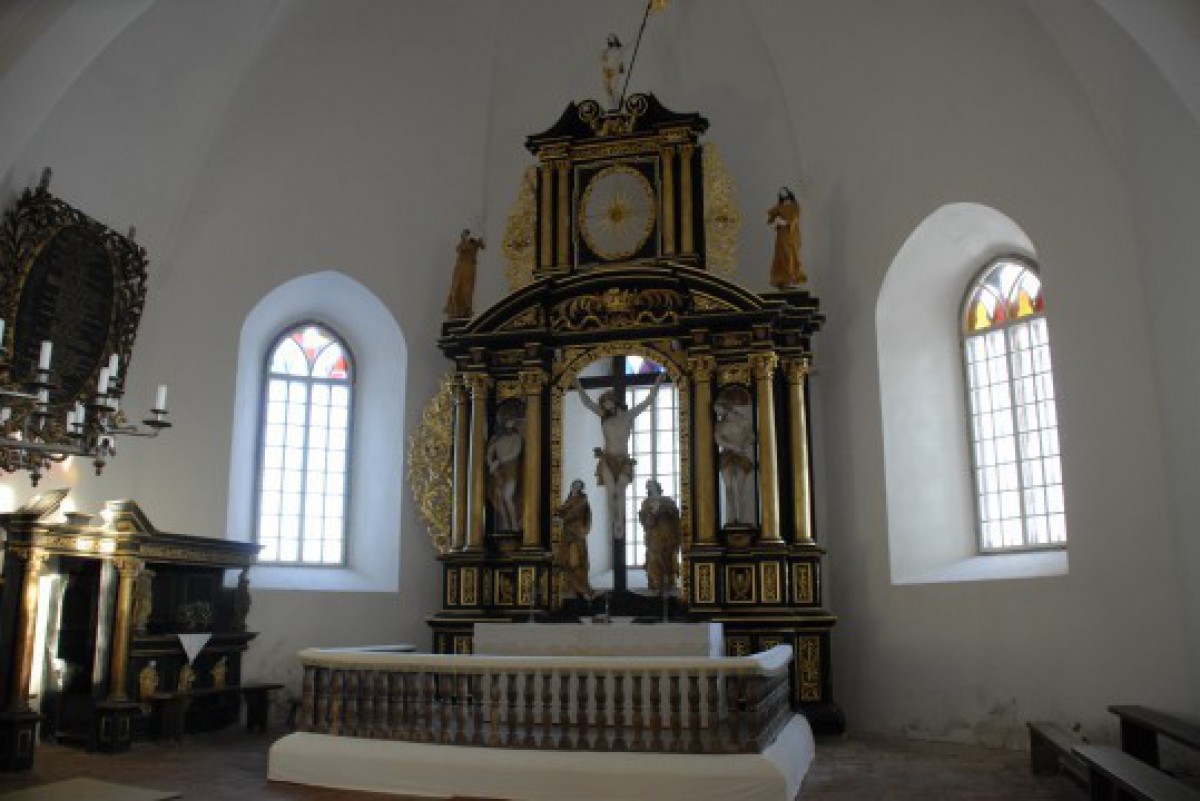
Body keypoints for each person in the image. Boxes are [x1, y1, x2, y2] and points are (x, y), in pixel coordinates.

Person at [574, 371, 664, 541]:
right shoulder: (603, 416)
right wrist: (576, 383)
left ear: (613, 401)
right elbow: (586, 402)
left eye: (606, 402)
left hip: (624, 460)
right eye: (603, 404)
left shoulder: (629, 415)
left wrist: (658, 381)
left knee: (620, 489)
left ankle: (620, 522)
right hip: (607, 458)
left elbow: (649, 401)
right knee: (611, 492)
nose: (605, 406)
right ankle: (613, 521)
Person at [715, 398, 757, 526]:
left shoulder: (743, 421)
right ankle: (731, 517)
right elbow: (718, 439)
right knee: (728, 487)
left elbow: (752, 437)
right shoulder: (719, 425)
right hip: (727, 455)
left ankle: (742, 519)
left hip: (741, 455)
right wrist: (732, 446)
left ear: (725, 407)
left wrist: (743, 445)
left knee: (740, 488)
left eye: (718, 409)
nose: (717, 412)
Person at [639, 479, 681, 593]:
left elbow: (676, 518)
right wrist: (652, 513)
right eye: (648, 486)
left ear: (657, 486)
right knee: (654, 560)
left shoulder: (668, 500)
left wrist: (664, 510)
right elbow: (645, 520)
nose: (649, 487)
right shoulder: (646, 502)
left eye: (651, 485)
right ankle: (656, 584)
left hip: (667, 534)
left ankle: (669, 584)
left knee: (668, 561)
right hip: (654, 536)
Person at [554, 479, 593, 599]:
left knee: (576, 562)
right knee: (566, 561)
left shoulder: (582, 500)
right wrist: (556, 514)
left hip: (576, 534)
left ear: (581, 488)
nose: (575, 487)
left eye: (578, 486)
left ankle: (581, 588)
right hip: (567, 534)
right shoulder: (569, 500)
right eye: (574, 485)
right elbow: (562, 510)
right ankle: (571, 589)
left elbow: (575, 512)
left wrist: (562, 518)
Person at [486, 414, 523, 532]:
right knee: (499, 497)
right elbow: (489, 452)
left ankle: (514, 523)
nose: (508, 430)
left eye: (510, 428)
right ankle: (506, 523)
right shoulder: (498, 439)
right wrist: (491, 463)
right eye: (506, 428)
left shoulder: (516, 438)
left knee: (507, 497)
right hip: (498, 472)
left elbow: (515, 452)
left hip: (510, 471)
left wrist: (498, 461)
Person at [767, 187, 806, 288]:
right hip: (781, 236)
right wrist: (773, 220)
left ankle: (790, 278)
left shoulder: (795, 206)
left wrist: (785, 222)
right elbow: (770, 216)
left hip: (791, 236)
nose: (785, 198)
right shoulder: (779, 206)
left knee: (790, 256)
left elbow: (794, 218)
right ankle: (783, 279)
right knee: (781, 257)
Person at [444, 229, 485, 318]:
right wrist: (465, 243)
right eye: (464, 236)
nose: (465, 237)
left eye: (466, 235)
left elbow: (483, 246)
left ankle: (466, 310)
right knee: (456, 289)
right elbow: (458, 249)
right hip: (460, 269)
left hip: (469, 269)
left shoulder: (474, 243)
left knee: (467, 291)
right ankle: (456, 310)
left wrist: (480, 240)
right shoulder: (463, 245)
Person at [600, 34, 625, 110]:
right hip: (607, 71)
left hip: (615, 71)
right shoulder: (606, 51)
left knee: (614, 88)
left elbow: (620, 59)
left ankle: (618, 104)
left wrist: (621, 66)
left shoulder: (619, 49)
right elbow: (602, 60)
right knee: (608, 90)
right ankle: (613, 106)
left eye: (613, 40)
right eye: (610, 41)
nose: (612, 42)